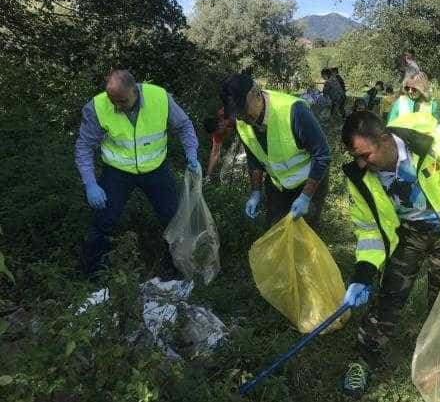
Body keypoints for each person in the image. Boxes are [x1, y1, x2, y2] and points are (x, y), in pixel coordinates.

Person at [339, 111, 440, 397]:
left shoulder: (429, 142)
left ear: (385, 140)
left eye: (366, 154)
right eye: (356, 157)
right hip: (407, 235)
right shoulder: (360, 177)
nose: (362, 163)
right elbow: (369, 231)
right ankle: (364, 359)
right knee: (388, 298)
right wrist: (363, 274)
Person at [75, 70, 200, 278]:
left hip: (156, 169)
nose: (117, 106)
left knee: (173, 219)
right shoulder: (96, 107)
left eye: (122, 101)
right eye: (113, 101)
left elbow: (184, 125)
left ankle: (176, 273)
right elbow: (84, 146)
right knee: (103, 222)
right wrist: (90, 183)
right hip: (117, 172)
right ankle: (94, 279)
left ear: (135, 90)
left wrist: (192, 153)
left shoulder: (159, 97)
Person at [220, 73, 331, 229]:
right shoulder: (242, 122)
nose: (242, 116)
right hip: (278, 185)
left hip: (309, 183)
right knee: (274, 231)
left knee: (303, 236)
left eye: (243, 109)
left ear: (256, 93)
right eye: (237, 113)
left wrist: (305, 197)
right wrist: (255, 192)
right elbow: (254, 159)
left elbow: (322, 155)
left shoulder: (293, 111)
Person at [203, 107, 235, 182]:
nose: (219, 134)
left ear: (220, 123)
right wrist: (208, 175)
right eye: (215, 134)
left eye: (218, 132)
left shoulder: (226, 112)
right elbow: (215, 153)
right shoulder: (217, 134)